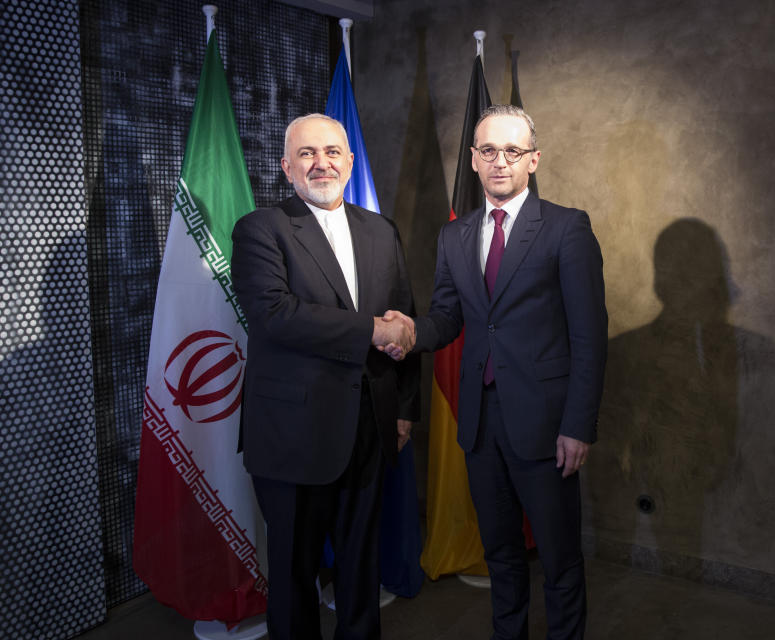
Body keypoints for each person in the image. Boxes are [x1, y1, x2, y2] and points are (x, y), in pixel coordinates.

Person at [386, 104, 607, 639]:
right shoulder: (455, 237)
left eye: (512, 151)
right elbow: (447, 319)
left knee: (558, 561)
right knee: (501, 556)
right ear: (473, 159)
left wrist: (578, 425)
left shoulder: (566, 228)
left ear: (533, 159)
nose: (500, 161)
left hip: (548, 427)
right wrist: (409, 331)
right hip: (480, 426)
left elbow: (588, 336)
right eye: (488, 151)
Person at [231, 113, 420, 640]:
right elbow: (274, 314)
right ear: (286, 167)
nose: (322, 163)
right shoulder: (260, 229)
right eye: (307, 154)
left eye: (333, 152)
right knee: (294, 574)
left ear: (350, 161)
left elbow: (403, 318)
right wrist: (371, 331)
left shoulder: (381, 229)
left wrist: (404, 408)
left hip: (371, 427)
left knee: (361, 566)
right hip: (293, 433)